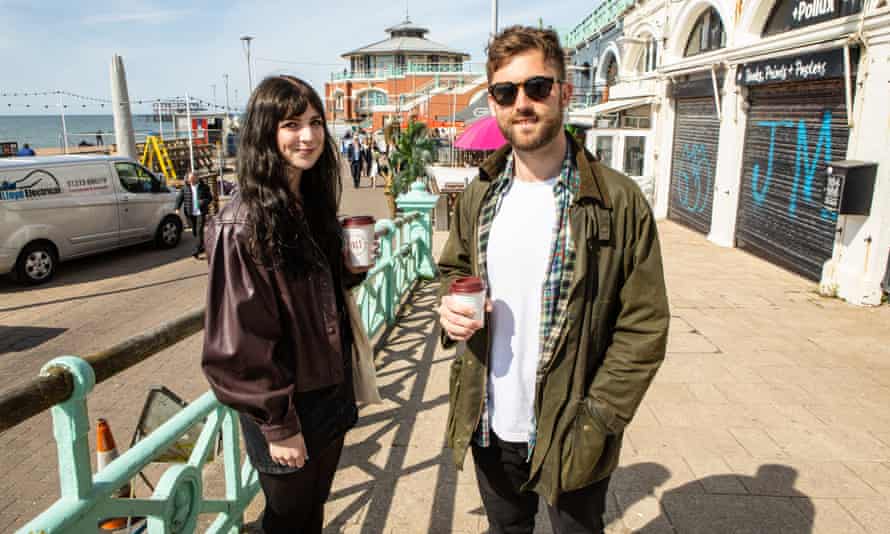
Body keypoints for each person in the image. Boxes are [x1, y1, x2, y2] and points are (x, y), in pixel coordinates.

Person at [436, 26, 669, 534]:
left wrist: (600, 417)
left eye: (537, 87)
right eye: (505, 92)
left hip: (573, 427)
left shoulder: (618, 201)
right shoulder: (481, 195)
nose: (522, 102)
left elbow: (645, 326)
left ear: (565, 92)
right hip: (489, 421)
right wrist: (447, 307)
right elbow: (453, 269)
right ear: (494, 103)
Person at [201, 75, 373, 534]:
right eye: (292, 124)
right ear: (265, 133)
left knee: (311, 512)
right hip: (287, 405)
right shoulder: (241, 224)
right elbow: (239, 346)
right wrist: (278, 425)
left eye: (316, 122)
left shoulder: (309, 202)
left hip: (330, 393)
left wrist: (349, 271)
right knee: (288, 521)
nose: (309, 136)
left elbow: (314, 297)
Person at [175, 171, 213, 258]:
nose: (191, 180)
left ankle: (196, 250)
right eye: (189, 179)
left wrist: (204, 201)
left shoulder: (204, 187)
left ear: (197, 178)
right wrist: (177, 208)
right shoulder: (185, 188)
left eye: (192, 178)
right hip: (190, 213)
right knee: (195, 232)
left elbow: (210, 198)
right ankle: (202, 246)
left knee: (199, 231)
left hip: (201, 212)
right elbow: (179, 198)